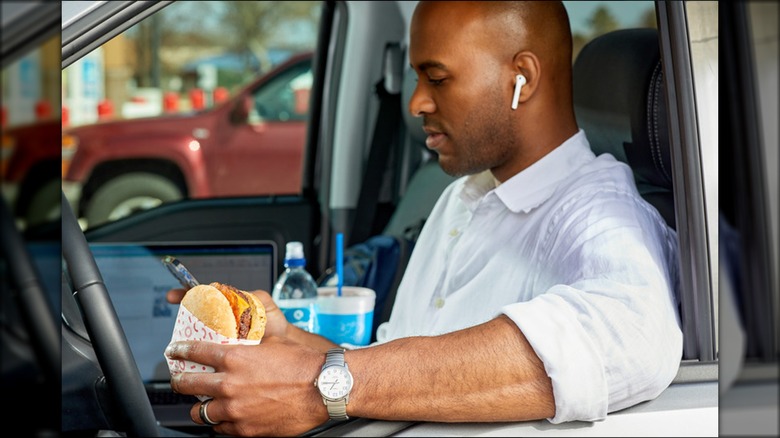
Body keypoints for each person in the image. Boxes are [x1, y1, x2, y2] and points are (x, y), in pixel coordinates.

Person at [165, 2, 682, 436]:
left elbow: (632, 334)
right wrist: (289, 342)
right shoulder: (462, 199)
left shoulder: (600, 215)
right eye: (416, 77)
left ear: (521, 77)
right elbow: (395, 368)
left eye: (436, 77)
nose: (416, 102)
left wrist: (312, 384)